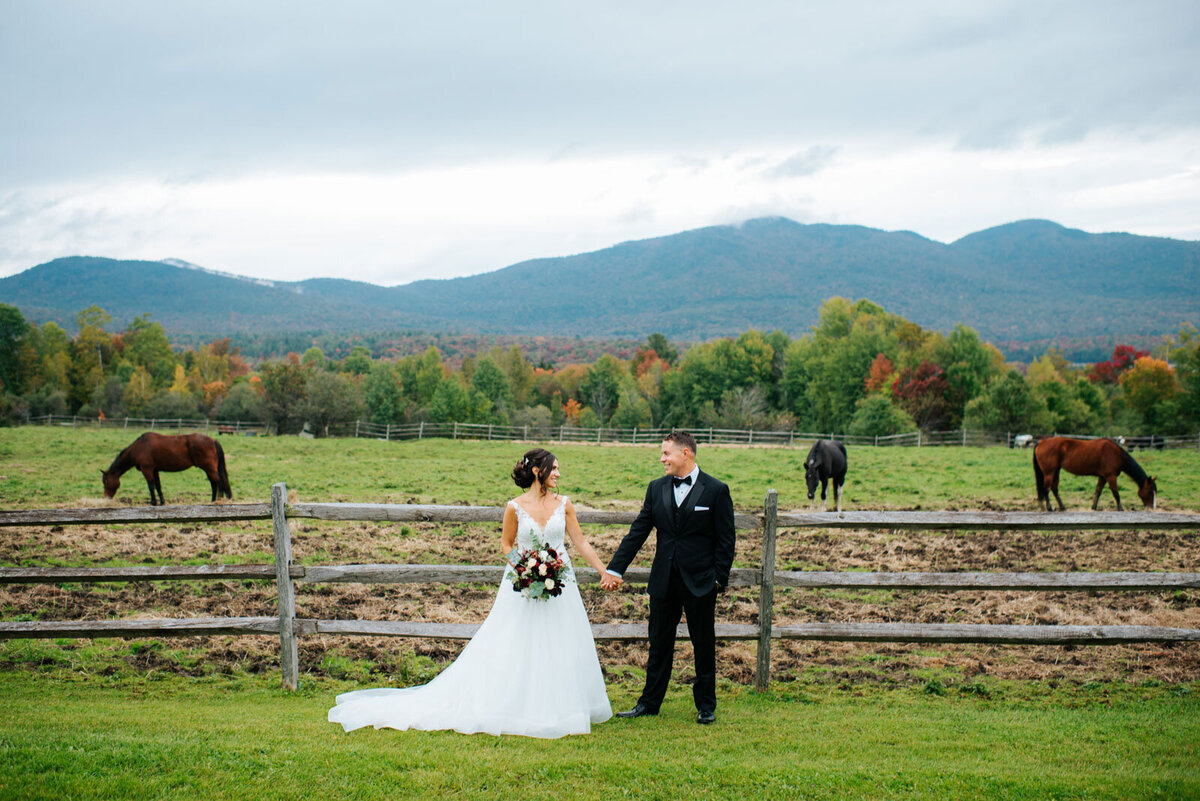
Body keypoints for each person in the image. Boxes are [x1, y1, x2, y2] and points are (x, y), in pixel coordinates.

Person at [328, 448, 613, 738]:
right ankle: (516, 702)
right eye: (554, 468)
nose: (558, 474)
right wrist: (525, 570)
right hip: (522, 584)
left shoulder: (564, 504)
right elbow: (506, 544)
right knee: (515, 642)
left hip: (561, 585)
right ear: (538, 471)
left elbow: (580, 542)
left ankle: (561, 705)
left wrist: (604, 571)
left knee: (561, 642)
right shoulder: (515, 507)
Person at [602, 431, 735, 725]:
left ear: (685, 454)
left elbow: (726, 540)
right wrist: (614, 568)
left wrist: (718, 579)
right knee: (659, 643)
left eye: (666, 453)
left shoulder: (715, 490)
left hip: (701, 581)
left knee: (704, 644)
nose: (662, 458)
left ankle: (705, 706)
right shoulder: (656, 488)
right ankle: (649, 703)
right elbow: (638, 531)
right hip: (663, 580)